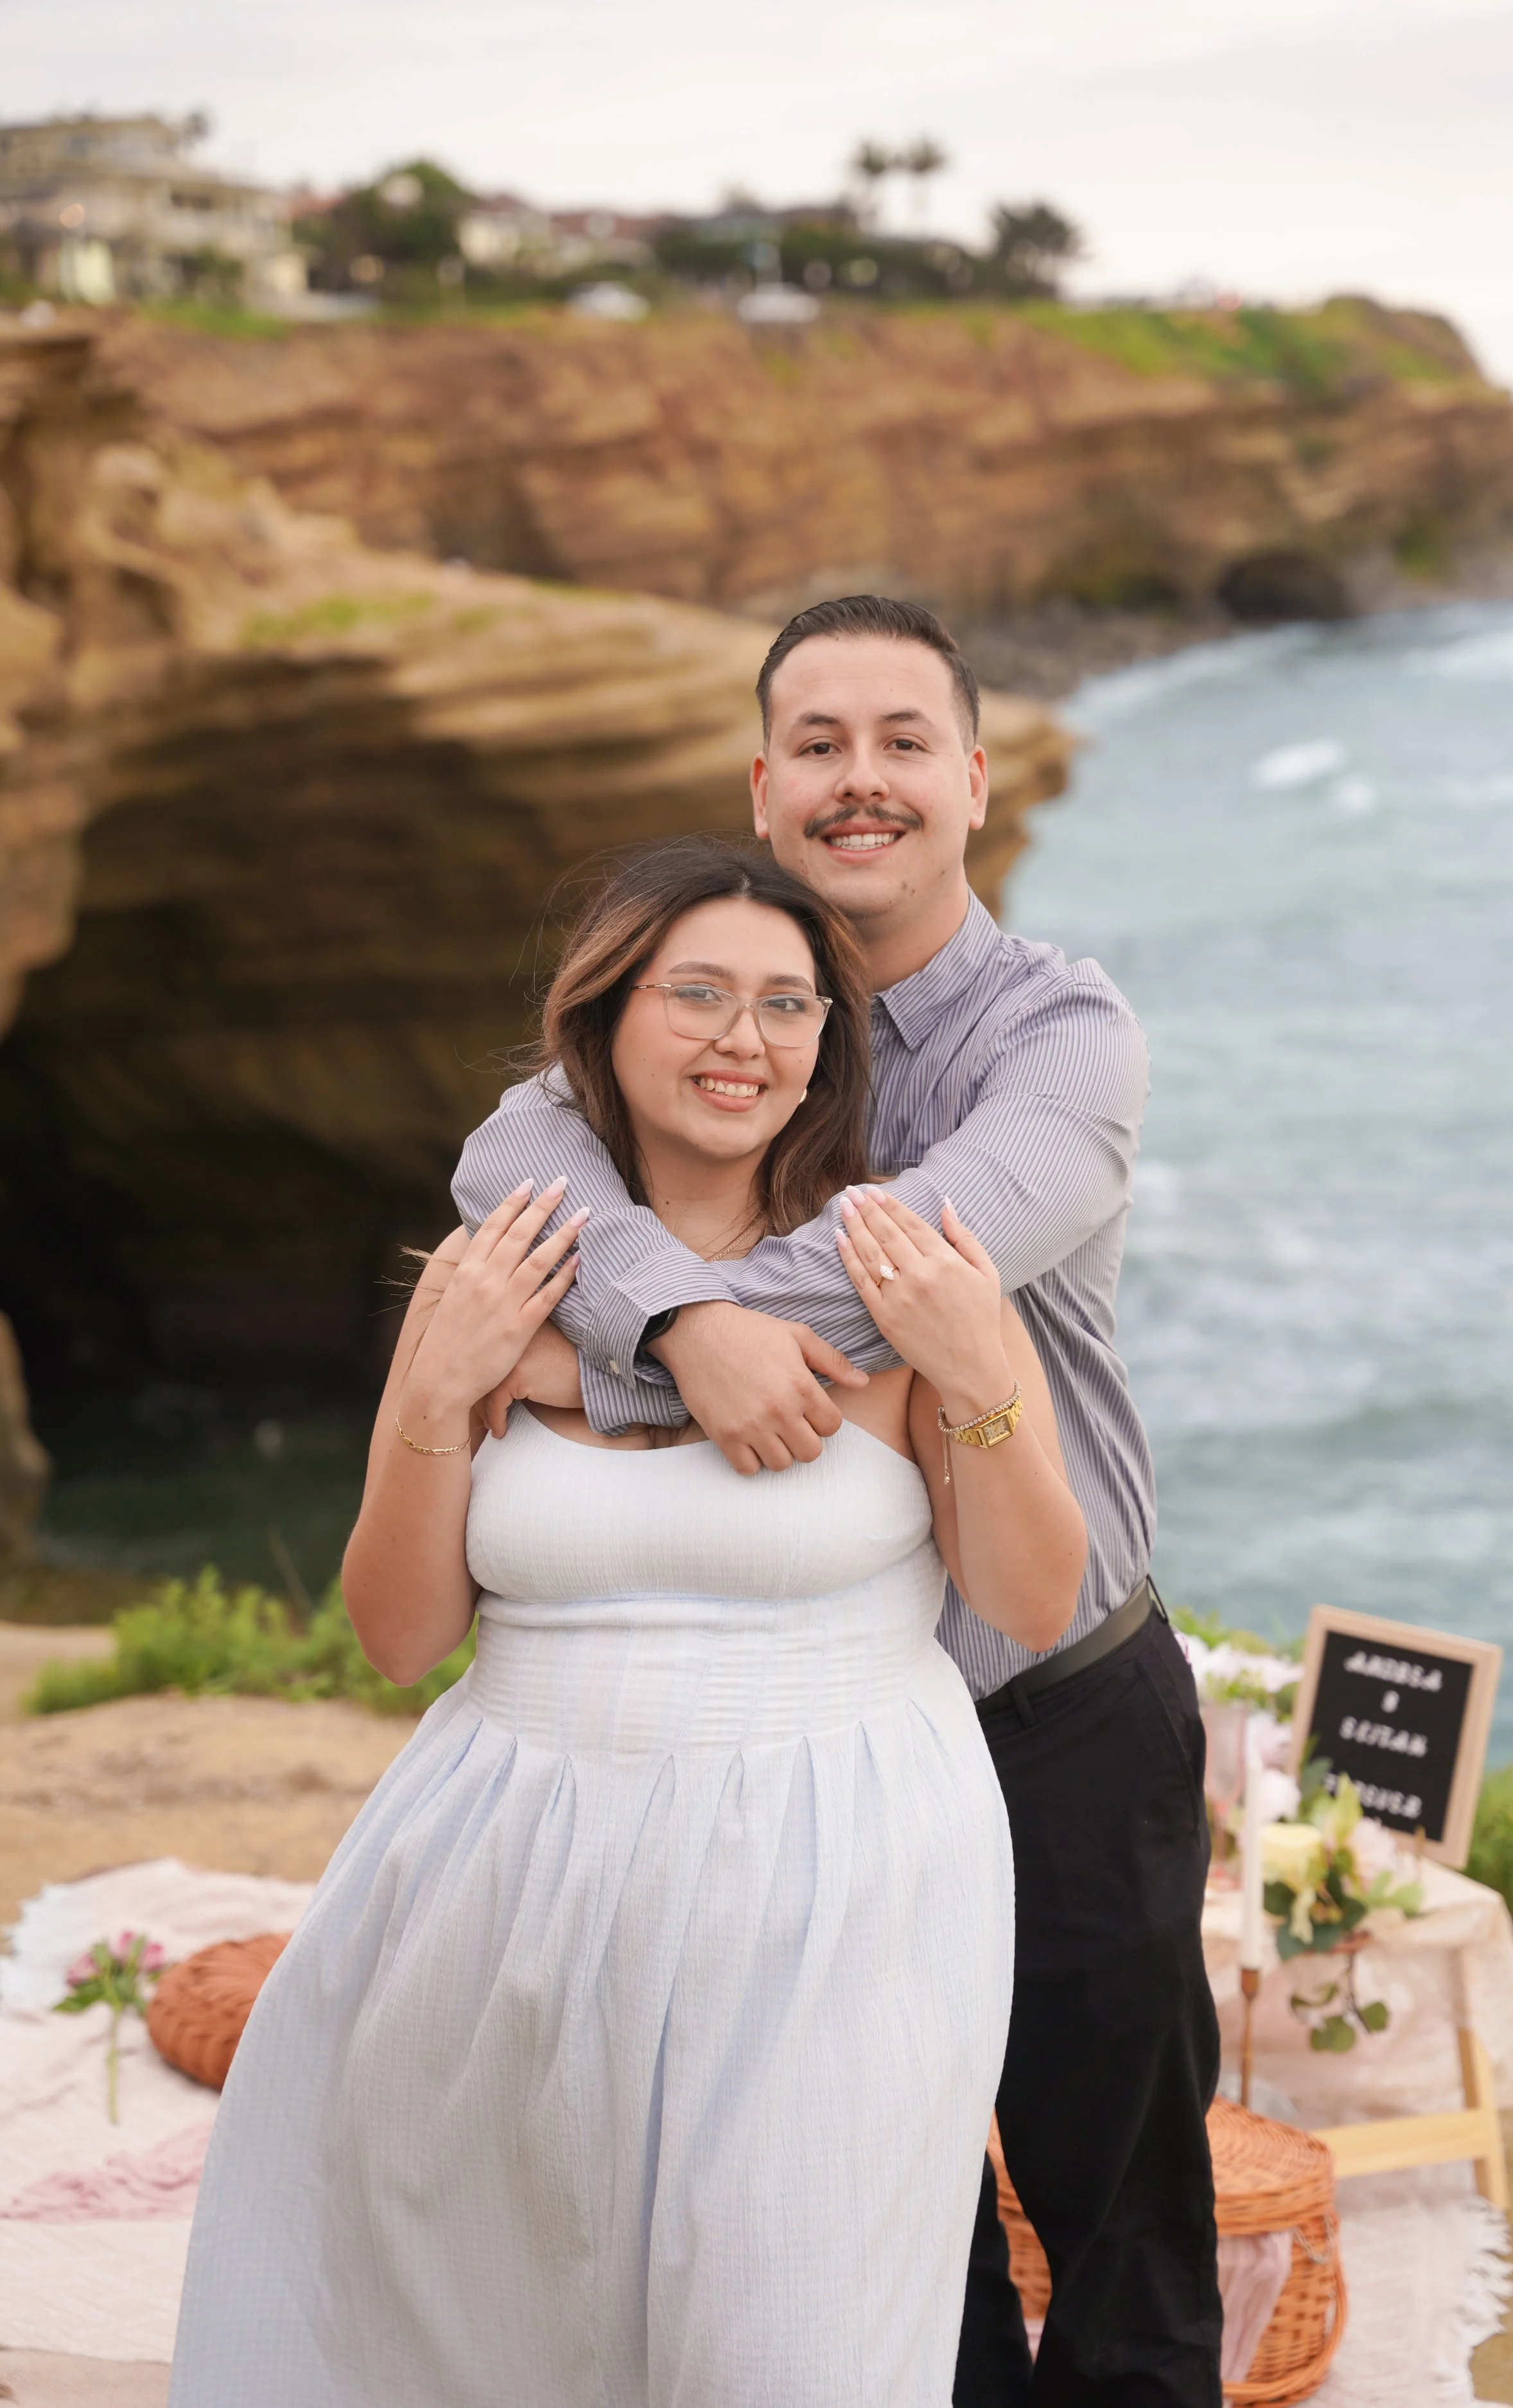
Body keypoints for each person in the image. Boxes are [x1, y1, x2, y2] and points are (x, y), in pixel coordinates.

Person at [169, 838, 1087, 2408]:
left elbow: (1026, 1596)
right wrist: (450, 1385)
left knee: (788, 2345)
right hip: (506, 1867)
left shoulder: (896, 1269)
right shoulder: (496, 1275)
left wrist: (984, 1377)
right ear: (603, 1021)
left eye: (788, 1007)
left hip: (833, 1873)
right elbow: (397, 1636)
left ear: (825, 1049)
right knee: (479, 2325)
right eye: (701, 995)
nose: (747, 1039)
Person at [455, 596, 1223, 2405]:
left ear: (972, 777)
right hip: (805, 1745)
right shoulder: (707, 1014)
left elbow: (920, 1262)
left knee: (1118, 2212)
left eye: (899, 740)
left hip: (1055, 1710)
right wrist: (683, 1314)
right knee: (867, 2218)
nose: (856, 777)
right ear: (763, 780)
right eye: (816, 742)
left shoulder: (1064, 1033)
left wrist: (637, 1341)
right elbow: (507, 1151)